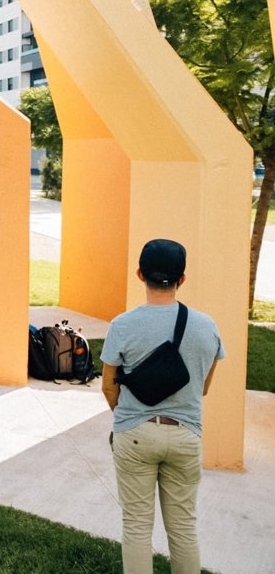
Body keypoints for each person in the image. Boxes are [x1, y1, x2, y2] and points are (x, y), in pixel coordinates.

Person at [100, 239, 224, 574]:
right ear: (181, 279)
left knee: (137, 525)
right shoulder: (207, 326)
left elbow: (108, 385)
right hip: (185, 435)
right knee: (183, 528)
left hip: (135, 435)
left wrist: (128, 418)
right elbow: (204, 387)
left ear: (140, 274)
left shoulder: (123, 325)